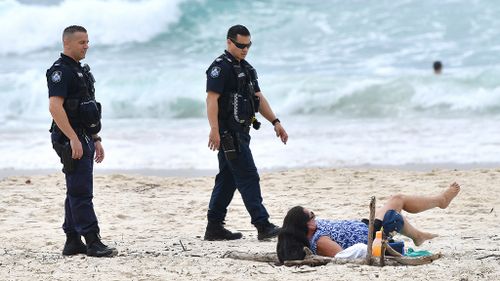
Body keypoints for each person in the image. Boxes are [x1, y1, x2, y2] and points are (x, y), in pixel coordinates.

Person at [204, 25, 288, 241]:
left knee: (228, 178)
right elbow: (211, 99)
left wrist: (275, 122)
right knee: (248, 175)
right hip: (228, 133)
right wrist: (214, 130)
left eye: (248, 45)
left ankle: (214, 227)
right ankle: (262, 224)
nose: (245, 49)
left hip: (242, 131)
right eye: (240, 45)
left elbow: (258, 97)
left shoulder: (247, 68)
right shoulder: (220, 68)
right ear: (229, 42)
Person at [47, 25, 117, 257]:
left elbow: (86, 107)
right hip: (70, 137)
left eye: (87, 42)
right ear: (67, 44)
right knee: (81, 191)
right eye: (82, 42)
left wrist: (95, 138)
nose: (87, 46)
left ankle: (73, 240)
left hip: (83, 135)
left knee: (75, 189)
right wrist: (73, 138)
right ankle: (93, 240)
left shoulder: (80, 70)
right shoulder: (60, 71)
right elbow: (55, 107)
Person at [277, 182, 461, 263]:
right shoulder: (320, 242)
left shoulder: (314, 228)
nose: (315, 217)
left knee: (396, 200)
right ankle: (440, 202)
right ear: (305, 225)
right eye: (312, 215)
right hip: (372, 235)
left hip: (365, 225)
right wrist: (374, 244)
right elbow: (345, 256)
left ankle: (419, 234)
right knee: (396, 205)